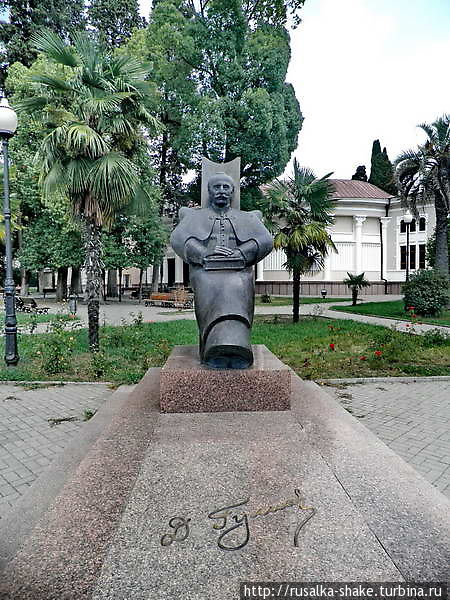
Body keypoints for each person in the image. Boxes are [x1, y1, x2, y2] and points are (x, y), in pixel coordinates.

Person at [171, 173, 273, 369]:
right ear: (209, 192)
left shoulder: (247, 217)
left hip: (239, 270)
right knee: (210, 284)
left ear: (232, 192)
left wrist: (241, 252)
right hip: (205, 271)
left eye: (226, 187)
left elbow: (265, 240)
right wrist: (204, 252)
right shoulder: (194, 216)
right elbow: (179, 238)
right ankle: (214, 346)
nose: (221, 191)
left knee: (238, 283)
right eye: (216, 187)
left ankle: (238, 346)